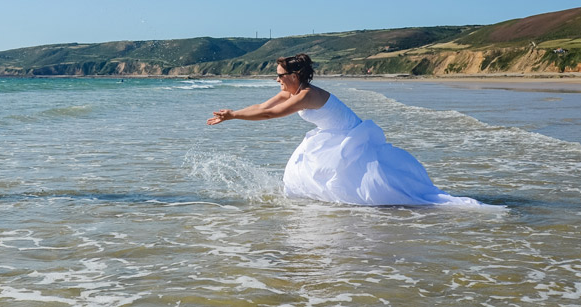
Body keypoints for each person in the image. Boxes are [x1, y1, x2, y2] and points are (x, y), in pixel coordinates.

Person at [207, 54, 482, 206]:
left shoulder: (305, 95)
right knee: (306, 167)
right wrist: (233, 114)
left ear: (295, 76)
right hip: (332, 136)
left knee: (363, 187)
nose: (276, 79)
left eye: (280, 75)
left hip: (347, 137)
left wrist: (233, 117)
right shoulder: (292, 91)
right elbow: (262, 105)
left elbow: (269, 114)